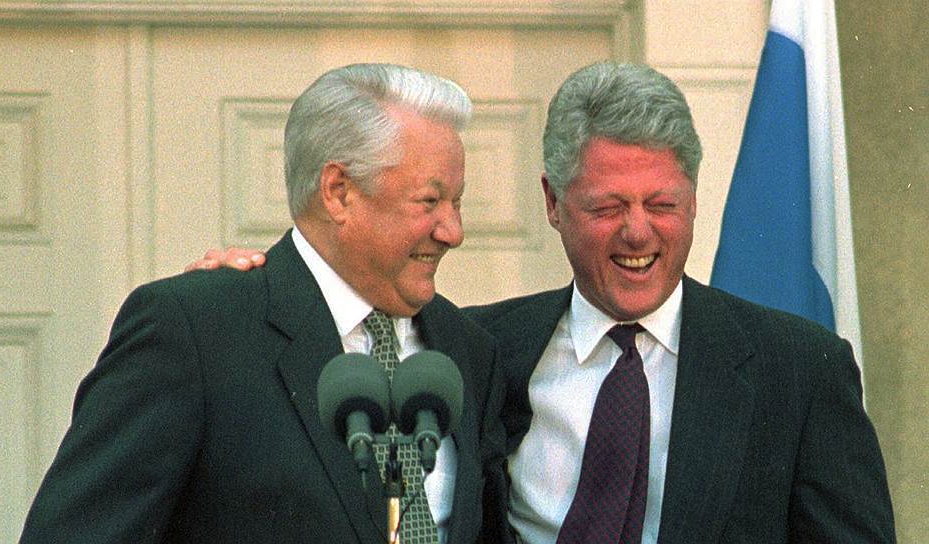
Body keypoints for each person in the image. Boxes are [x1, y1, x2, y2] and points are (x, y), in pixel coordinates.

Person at [189, 62, 896, 543]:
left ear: (693, 201)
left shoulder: (798, 370)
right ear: (553, 203)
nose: (639, 232)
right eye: (608, 206)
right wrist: (245, 294)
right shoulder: (471, 351)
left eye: (662, 204)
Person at [21, 63, 507, 544]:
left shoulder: (468, 350)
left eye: (457, 203)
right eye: (429, 202)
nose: (453, 232)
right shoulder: (196, 330)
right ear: (338, 193)